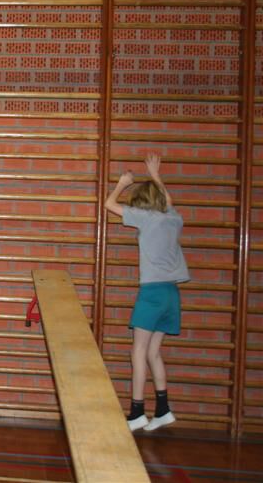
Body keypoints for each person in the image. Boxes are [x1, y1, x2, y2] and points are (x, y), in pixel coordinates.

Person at [105, 155, 189, 432]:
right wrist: (155, 174)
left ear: (143, 204)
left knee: (138, 352)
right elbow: (169, 201)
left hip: (152, 293)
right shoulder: (173, 218)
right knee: (154, 352)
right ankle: (163, 409)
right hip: (171, 294)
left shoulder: (147, 218)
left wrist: (122, 184)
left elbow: (109, 205)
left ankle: (137, 412)